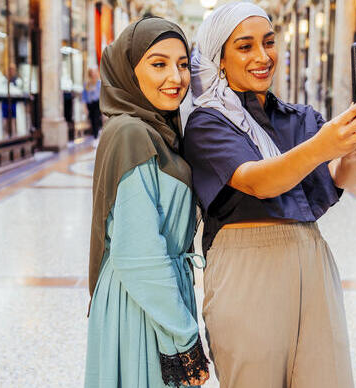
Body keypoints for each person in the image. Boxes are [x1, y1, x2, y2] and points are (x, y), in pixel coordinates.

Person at [183, 3, 356, 387]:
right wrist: (324, 146)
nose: (263, 57)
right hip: (246, 268)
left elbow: (340, 177)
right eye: (245, 47)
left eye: (270, 42)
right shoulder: (207, 122)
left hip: (311, 257)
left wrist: (355, 153)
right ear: (220, 59)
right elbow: (260, 181)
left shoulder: (298, 117)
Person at [85, 17, 210, 388]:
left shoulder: (159, 130)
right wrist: (185, 339)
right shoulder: (131, 133)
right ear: (129, 70)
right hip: (141, 304)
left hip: (156, 298)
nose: (176, 77)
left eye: (183, 64)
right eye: (159, 64)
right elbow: (140, 256)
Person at [83, 67, 103, 139]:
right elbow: (84, 96)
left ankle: (96, 135)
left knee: (96, 119)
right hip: (90, 104)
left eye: (94, 72)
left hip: (97, 103)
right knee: (92, 119)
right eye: (92, 72)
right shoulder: (87, 84)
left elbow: (102, 95)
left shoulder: (99, 83)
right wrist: (85, 107)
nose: (93, 74)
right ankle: (95, 135)